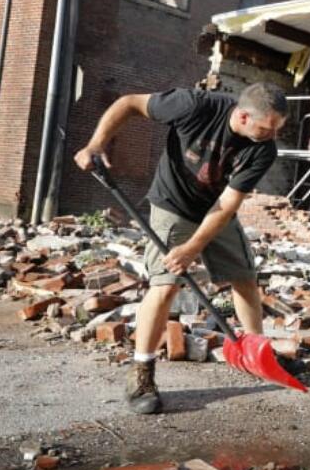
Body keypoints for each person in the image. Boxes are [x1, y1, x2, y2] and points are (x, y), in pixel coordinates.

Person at [74, 82, 287, 414]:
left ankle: (256, 353)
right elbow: (129, 101)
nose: (271, 135)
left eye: (276, 129)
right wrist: (96, 143)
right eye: (265, 128)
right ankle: (141, 372)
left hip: (214, 209)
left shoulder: (263, 149)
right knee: (165, 285)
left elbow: (227, 206)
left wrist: (194, 247)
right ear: (243, 116)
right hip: (172, 203)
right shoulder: (193, 105)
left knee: (244, 276)